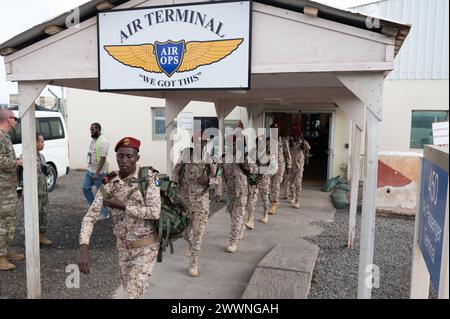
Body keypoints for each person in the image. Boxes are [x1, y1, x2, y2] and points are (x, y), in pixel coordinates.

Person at [78, 137, 161, 299]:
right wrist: (84, 249)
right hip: (123, 249)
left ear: (137, 158)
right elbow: (90, 216)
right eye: (120, 156)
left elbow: (155, 211)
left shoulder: (150, 178)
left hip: (146, 248)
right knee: (130, 292)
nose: (124, 161)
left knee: (131, 295)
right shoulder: (109, 182)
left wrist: (123, 206)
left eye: (129, 156)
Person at [172, 137, 218, 277]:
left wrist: (209, 180)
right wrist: (173, 186)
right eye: (197, 142)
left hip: (201, 202)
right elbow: (175, 172)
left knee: (198, 232)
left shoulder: (210, 159)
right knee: (185, 233)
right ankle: (192, 247)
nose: (200, 144)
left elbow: (218, 179)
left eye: (203, 142)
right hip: (184, 201)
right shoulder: (185, 156)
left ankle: (194, 261)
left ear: (205, 144)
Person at [0, 109, 24, 271]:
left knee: (9, 220)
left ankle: (6, 250)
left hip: (8, 187)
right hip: (3, 189)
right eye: (15, 118)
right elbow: (1, 161)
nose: (16, 121)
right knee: (2, 222)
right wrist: (18, 163)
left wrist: (15, 160)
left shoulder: (5, 138)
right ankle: (1, 257)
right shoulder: (0, 138)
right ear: (8, 119)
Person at [217, 137, 248, 253]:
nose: (233, 146)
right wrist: (219, 192)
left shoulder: (245, 157)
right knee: (232, 215)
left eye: (236, 144)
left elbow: (255, 171)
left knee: (237, 216)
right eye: (231, 144)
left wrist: (245, 165)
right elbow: (219, 176)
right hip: (230, 193)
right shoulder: (224, 159)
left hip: (242, 192)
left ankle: (233, 242)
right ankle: (242, 227)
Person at [83, 123, 110, 220]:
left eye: (92, 130)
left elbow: (102, 159)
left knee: (102, 193)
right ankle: (94, 209)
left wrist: (97, 173)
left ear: (98, 130)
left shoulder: (103, 142)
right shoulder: (94, 140)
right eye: (90, 130)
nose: (91, 132)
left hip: (99, 173)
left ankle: (105, 212)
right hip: (90, 170)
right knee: (85, 188)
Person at [269, 123, 291, 215]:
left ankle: (275, 203)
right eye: (272, 129)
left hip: (280, 165)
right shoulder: (267, 141)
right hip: (270, 166)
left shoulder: (283, 140)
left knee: (276, 184)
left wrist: (288, 166)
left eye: (275, 129)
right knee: (269, 184)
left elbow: (288, 154)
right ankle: (272, 200)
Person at [288, 126, 311, 208]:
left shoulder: (301, 142)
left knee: (298, 183)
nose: (295, 136)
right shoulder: (289, 141)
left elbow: (308, 148)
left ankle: (297, 201)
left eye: (296, 134)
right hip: (291, 166)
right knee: (291, 183)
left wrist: (303, 141)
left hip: (299, 166)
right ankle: (293, 196)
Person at [36, 133, 52, 246]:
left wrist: (47, 170)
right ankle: (32, 239)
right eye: (41, 141)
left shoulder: (41, 156)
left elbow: (43, 171)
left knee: (44, 215)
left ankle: (41, 237)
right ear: (35, 142)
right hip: (34, 193)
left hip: (43, 191)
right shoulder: (26, 156)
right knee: (34, 216)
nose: (43, 143)